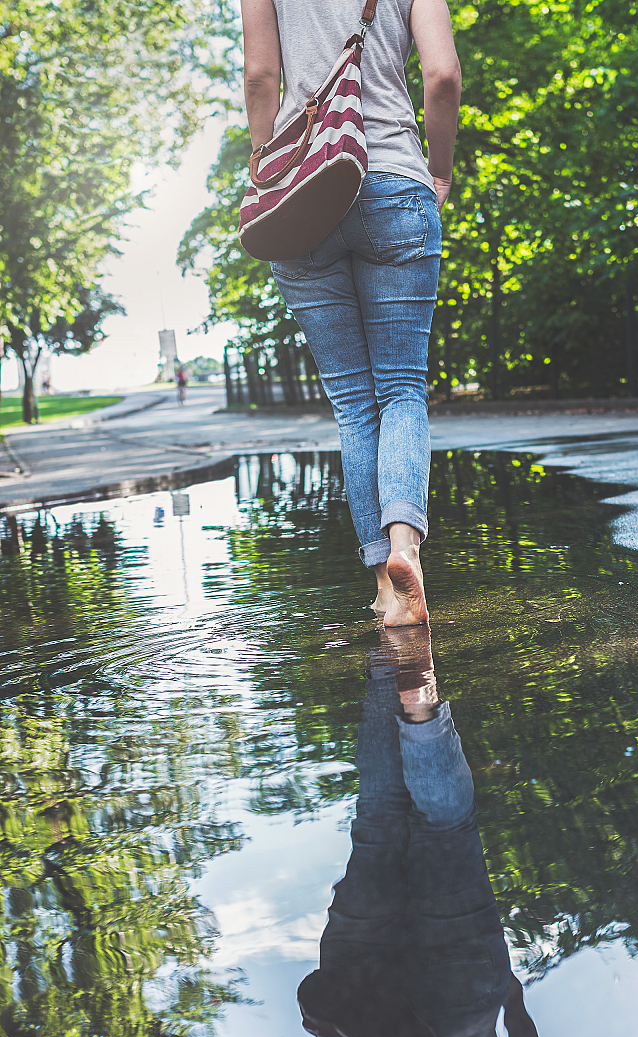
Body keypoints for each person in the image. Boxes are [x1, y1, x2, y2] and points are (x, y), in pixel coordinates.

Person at [298, 628, 556, 1037]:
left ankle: (420, 704)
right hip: (367, 1009)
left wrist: (511, 1005)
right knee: (378, 823)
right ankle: (387, 665)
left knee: (447, 828)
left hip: (464, 1009)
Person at [241, 0, 461, 626]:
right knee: (401, 390)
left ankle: (389, 593)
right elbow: (442, 74)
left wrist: (267, 169)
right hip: (394, 175)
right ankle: (403, 548)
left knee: (353, 403)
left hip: (307, 190)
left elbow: (262, 75)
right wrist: (438, 170)